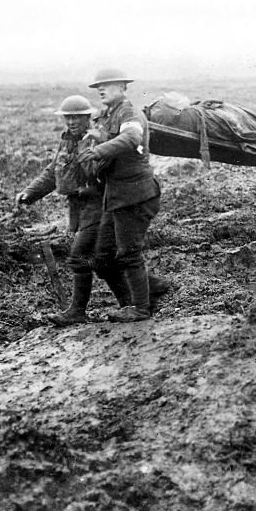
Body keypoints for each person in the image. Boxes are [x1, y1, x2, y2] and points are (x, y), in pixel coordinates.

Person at [76, 69, 165, 323]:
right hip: (115, 197)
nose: (101, 90)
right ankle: (147, 293)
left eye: (107, 85)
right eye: (98, 87)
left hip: (135, 195)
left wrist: (99, 150)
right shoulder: (107, 116)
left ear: (123, 88)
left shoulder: (129, 112)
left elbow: (132, 136)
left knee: (128, 253)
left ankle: (141, 307)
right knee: (103, 259)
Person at [16, 95, 104, 326]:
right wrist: (30, 193)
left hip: (98, 206)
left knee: (80, 256)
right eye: (68, 117)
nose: (72, 121)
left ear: (87, 118)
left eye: (77, 117)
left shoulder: (96, 140)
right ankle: (140, 296)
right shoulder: (66, 141)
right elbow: (53, 171)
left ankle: (77, 311)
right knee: (102, 262)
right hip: (79, 208)